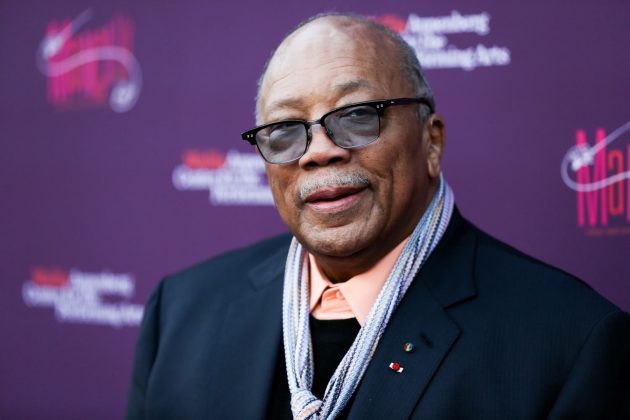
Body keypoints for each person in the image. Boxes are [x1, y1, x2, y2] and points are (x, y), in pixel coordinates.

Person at [126, 13, 630, 419]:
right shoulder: (181, 311)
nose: (318, 152)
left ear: (431, 141)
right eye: (284, 129)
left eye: (358, 116)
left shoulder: (570, 345)